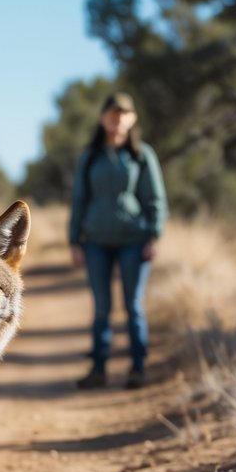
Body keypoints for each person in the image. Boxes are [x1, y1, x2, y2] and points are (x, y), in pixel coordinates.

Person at [68, 92, 168, 390]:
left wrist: (154, 235)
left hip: (134, 241)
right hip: (96, 241)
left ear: (132, 118)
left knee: (133, 305)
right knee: (101, 307)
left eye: (124, 113)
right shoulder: (91, 156)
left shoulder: (142, 154)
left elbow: (156, 198)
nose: (118, 118)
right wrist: (75, 240)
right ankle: (98, 369)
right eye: (112, 113)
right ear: (103, 118)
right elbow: (79, 199)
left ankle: (138, 368)